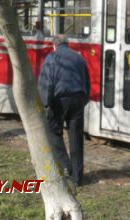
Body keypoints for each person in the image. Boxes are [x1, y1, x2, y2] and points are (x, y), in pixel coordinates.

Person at [38, 34, 91, 187]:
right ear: (67, 44)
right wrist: (83, 100)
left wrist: (46, 104)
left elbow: (46, 83)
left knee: (54, 132)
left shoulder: (52, 58)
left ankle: (66, 166)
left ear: (54, 45)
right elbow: (87, 81)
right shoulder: (79, 58)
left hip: (60, 101)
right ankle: (78, 178)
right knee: (76, 137)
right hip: (78, 99)